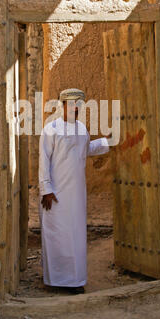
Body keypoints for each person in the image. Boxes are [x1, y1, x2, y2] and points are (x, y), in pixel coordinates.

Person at [38, 88, 110, 294]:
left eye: (78, 106)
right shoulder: (50, 129)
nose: (74, 109)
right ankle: (54, 281)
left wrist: (107, 142)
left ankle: (75, 281)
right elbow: (43, 161)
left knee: (76, 237)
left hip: (76, 195)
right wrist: (46, 190)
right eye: (71, 105)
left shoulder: (81, 129)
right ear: (62, 106)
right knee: (56, 236)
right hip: (56, 194)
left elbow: (85, 150)